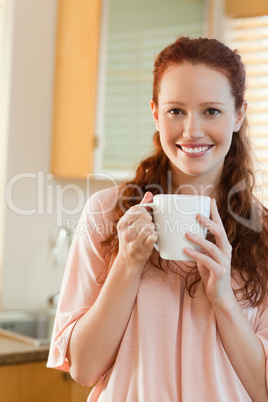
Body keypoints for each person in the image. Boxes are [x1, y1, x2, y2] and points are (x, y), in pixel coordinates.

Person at [47, 37, 268, 401]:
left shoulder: (262, 231)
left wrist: (224, 298)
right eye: (176, 110)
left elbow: (262, 388)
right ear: (155, 113)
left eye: (211, 111)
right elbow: (84, 370)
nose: (191, 130)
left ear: (238, 115)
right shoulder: (108, 214)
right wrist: (127, 264)